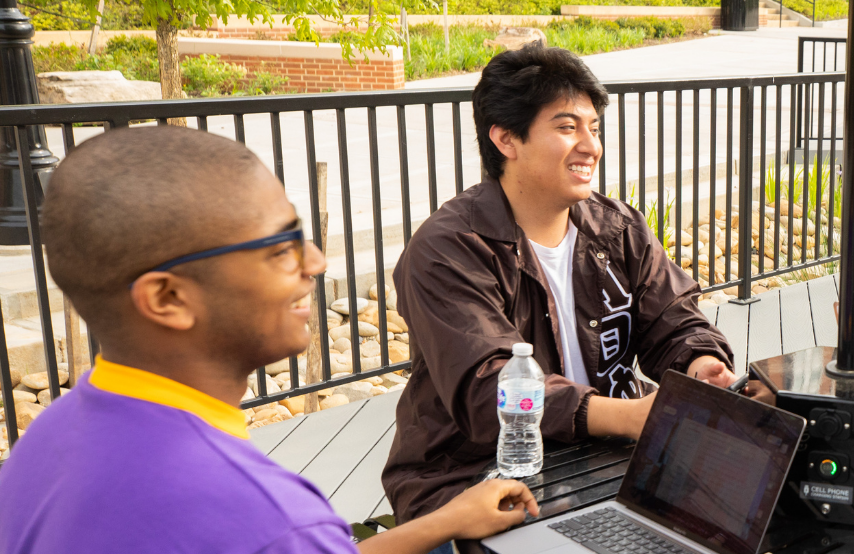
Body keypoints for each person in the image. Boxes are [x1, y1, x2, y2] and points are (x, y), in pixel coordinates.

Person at [0, 125, 540, 554]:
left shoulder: (49, 441)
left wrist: (444, 520)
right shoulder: (265, 516)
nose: (316, 263)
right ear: (167, 298)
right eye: (280, 250)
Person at [384, 47, 752, 522]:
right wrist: (630, 417)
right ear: (506, 139)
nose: (591, 146)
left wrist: (702, 364)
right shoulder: (448, 248)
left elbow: (674, 318)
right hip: (475, 476)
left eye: (593, 128)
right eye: (566, 127)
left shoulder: (617, 228)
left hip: (604, 457)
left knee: (750, 507)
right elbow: (488, 388)